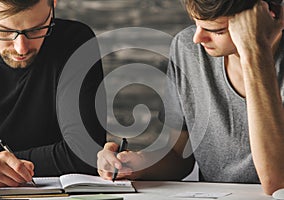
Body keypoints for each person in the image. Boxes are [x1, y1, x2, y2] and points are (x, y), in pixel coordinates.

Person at [97, 0, 284, 195]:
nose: (198, 38)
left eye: (217, 30)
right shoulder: (187, 49)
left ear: (269, 17)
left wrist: (255, 52)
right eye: (196, 23)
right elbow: (179, 156)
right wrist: (136, 165)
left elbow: (277, 183)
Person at [0, 0, 106, 188]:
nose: (21, 48)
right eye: (4, 31)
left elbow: (85, 155)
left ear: (53, 3)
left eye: (36, 30)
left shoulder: (73, 40)